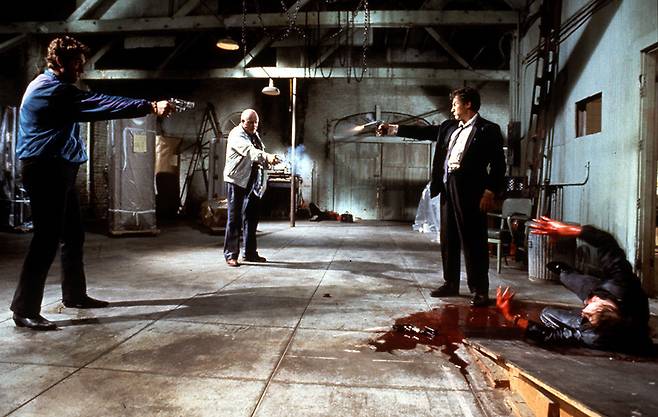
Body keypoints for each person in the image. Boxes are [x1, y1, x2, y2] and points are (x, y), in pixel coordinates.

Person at [10, 36, 174, 331]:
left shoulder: (57, 87)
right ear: (59, 62)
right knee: (45, 239)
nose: (80, 69)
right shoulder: (51, 90)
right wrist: (149, 106)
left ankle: (74, 295)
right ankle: (24, 309)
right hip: (44, 169)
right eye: (76, 64)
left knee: (73, 235)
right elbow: (99, 103)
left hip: (60, 168)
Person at [377, 87, 505, 306]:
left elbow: (499, 165)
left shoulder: (488, 129)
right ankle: (451, 283)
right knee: (449, 238)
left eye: (455, 104)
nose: (452, 108)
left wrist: (490, 191)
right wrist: (392, 129)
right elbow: (424, 132)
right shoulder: (449, 126)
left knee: (473, 240)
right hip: (448, 186)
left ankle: (479, 290)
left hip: (472, 191)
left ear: (468, 104)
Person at [496, 217, 653, 353]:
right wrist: (570, 230)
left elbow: (549, 336)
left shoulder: (592, 335)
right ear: (603, 305)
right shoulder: (623, 282)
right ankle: (566, 273)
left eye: (586, 315)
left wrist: (511, 317)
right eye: (589, 306)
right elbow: (606, 242)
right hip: (607, 290)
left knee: (547, 313)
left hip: (606, 306)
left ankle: (566, 274)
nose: (585, 306)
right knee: (571, 279)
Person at [223, 109, 281, 267]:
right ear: (242, 122)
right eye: (250, 122)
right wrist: (267, 156)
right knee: (234, 219)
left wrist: (269, 161)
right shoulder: (237, 135)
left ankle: (250, 253)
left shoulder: (254, 135)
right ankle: (231, 255)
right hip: (237, 181)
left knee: (252, 217)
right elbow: (249, 152)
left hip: (252, 181)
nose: (254, 125)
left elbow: (258, 155)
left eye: (256, 122)